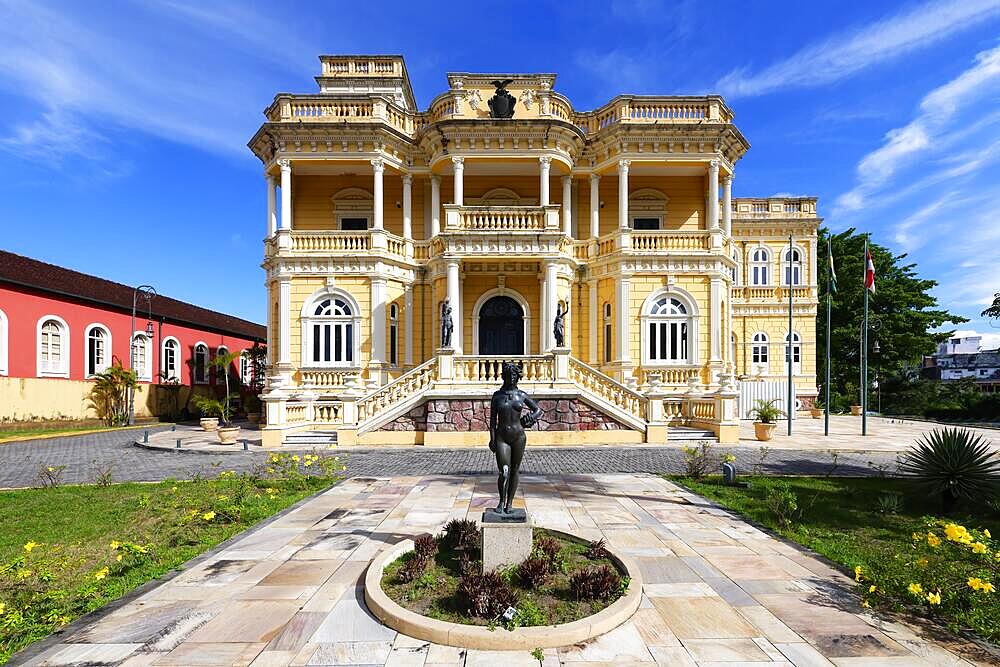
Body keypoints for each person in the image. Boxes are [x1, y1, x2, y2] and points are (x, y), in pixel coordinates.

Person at [488, 362, 543, 514]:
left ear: (518, 377)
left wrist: (531, 417)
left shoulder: (522, 395)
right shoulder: (497, 396)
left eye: (514, 375)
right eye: (508, 375)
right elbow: (492, 420)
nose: (511, 378)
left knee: (515, 470)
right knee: (504, 471)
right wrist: (492, 439)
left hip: (519, 437)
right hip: (501, 437)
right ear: (503, 376)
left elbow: (539, 410)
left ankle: (510, 503)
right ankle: (501, 501)